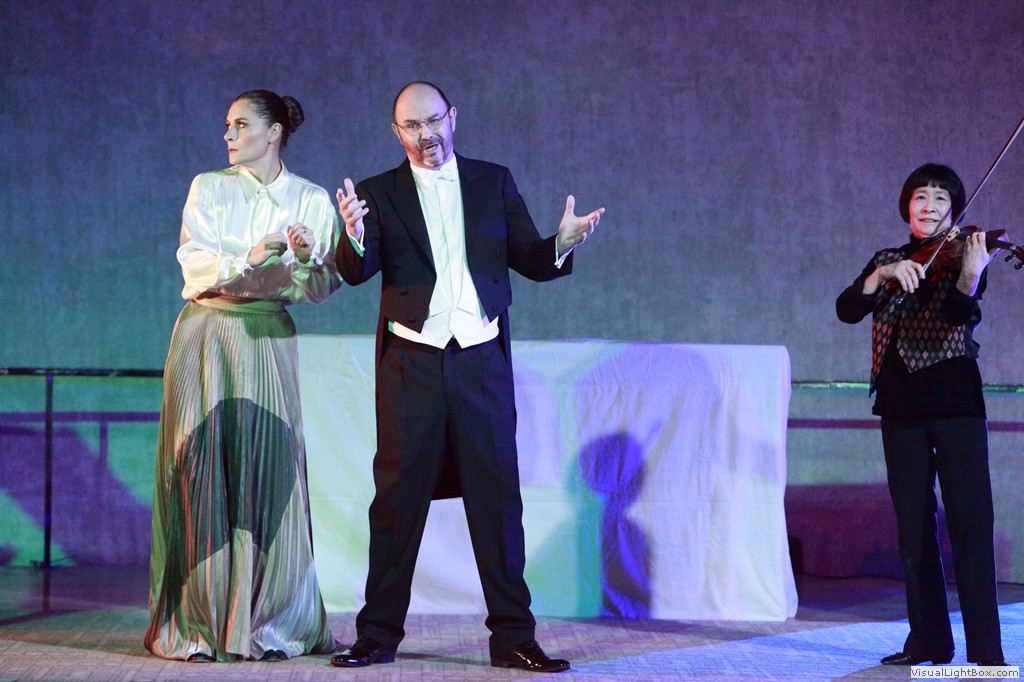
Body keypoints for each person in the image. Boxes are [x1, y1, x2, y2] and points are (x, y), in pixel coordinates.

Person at [330, 81, 604, 673]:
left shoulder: (492, 181)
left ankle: (513, 638)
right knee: (397, 502)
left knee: (497, 501)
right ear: (397, 132)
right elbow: (356, 271)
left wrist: (561, 242)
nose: (425, 134)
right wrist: (352, 233)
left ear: (452, 118)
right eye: (411, 125)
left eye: (433, 120)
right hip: (412, 364)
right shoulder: (377, 192)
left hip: (481, 362)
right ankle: (376, 635)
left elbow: (530, 259)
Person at [145, 89, 341, 663]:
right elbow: (195, 263)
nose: (228, 136)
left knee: (268, 470)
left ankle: (270, 619)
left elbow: (321, 287)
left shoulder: (310, 198)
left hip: (266, 336)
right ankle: (198, 620)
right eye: (228, 126)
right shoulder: (209, 187)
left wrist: (307, 257)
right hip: (206, 332)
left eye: (240, 125)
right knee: (198, 468)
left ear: (274, 131)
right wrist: (251, 256)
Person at [836, 163, 1007, 667]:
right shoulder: (888, 259)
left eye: (940, 199)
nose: (929, 207)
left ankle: (987, 656)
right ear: (906, 206)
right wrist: (881, 274)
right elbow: (848, 309)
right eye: (920, 197)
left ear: (955, 209)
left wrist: (970, 274)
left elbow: (957, 314)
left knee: (971, 527)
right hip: (900, 407)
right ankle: (929, 643)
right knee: (914, 531)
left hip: (956, 405)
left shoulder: (966, 252)